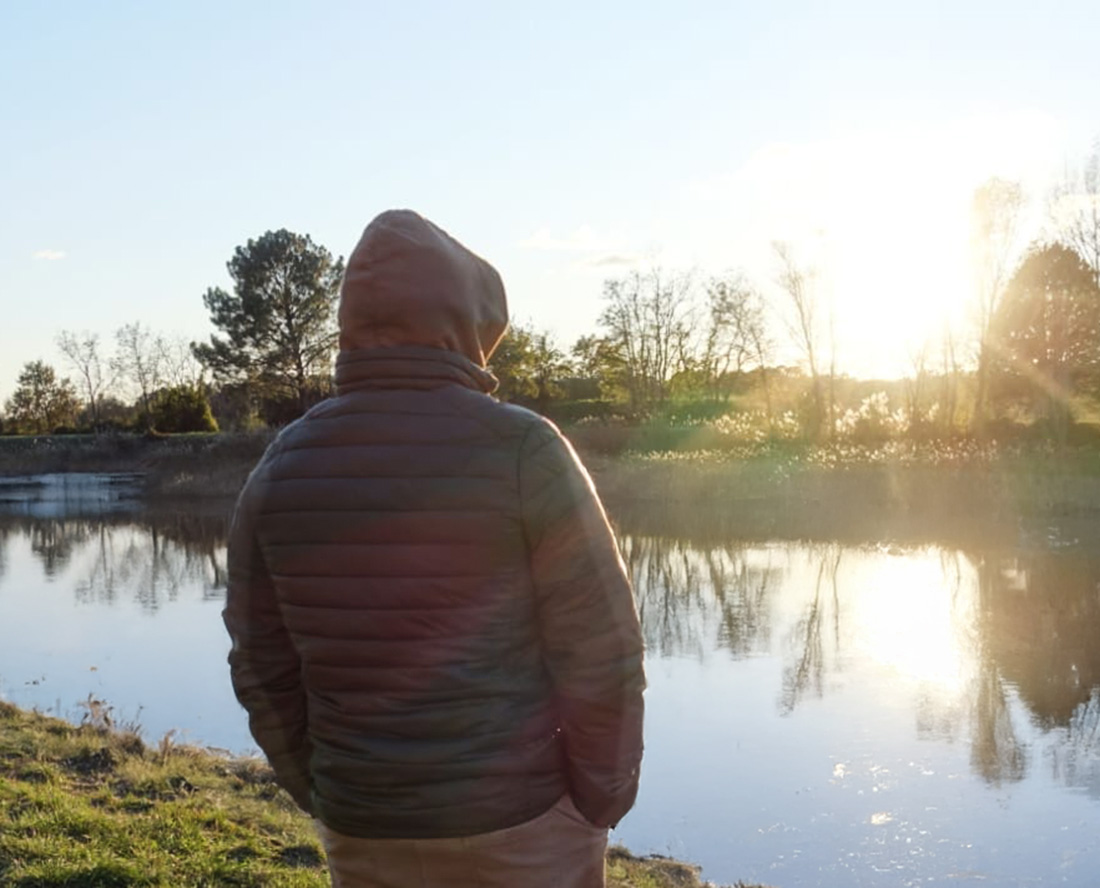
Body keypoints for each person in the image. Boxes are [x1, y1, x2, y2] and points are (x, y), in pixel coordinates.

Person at [223, 209, 646, 888]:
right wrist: (601, 797)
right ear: (465, 329)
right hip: (523, 819)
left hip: (364, 822)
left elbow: (259, 663)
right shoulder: (525, 450)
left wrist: (325, 788)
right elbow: (601, 644)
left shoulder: (281, 465)